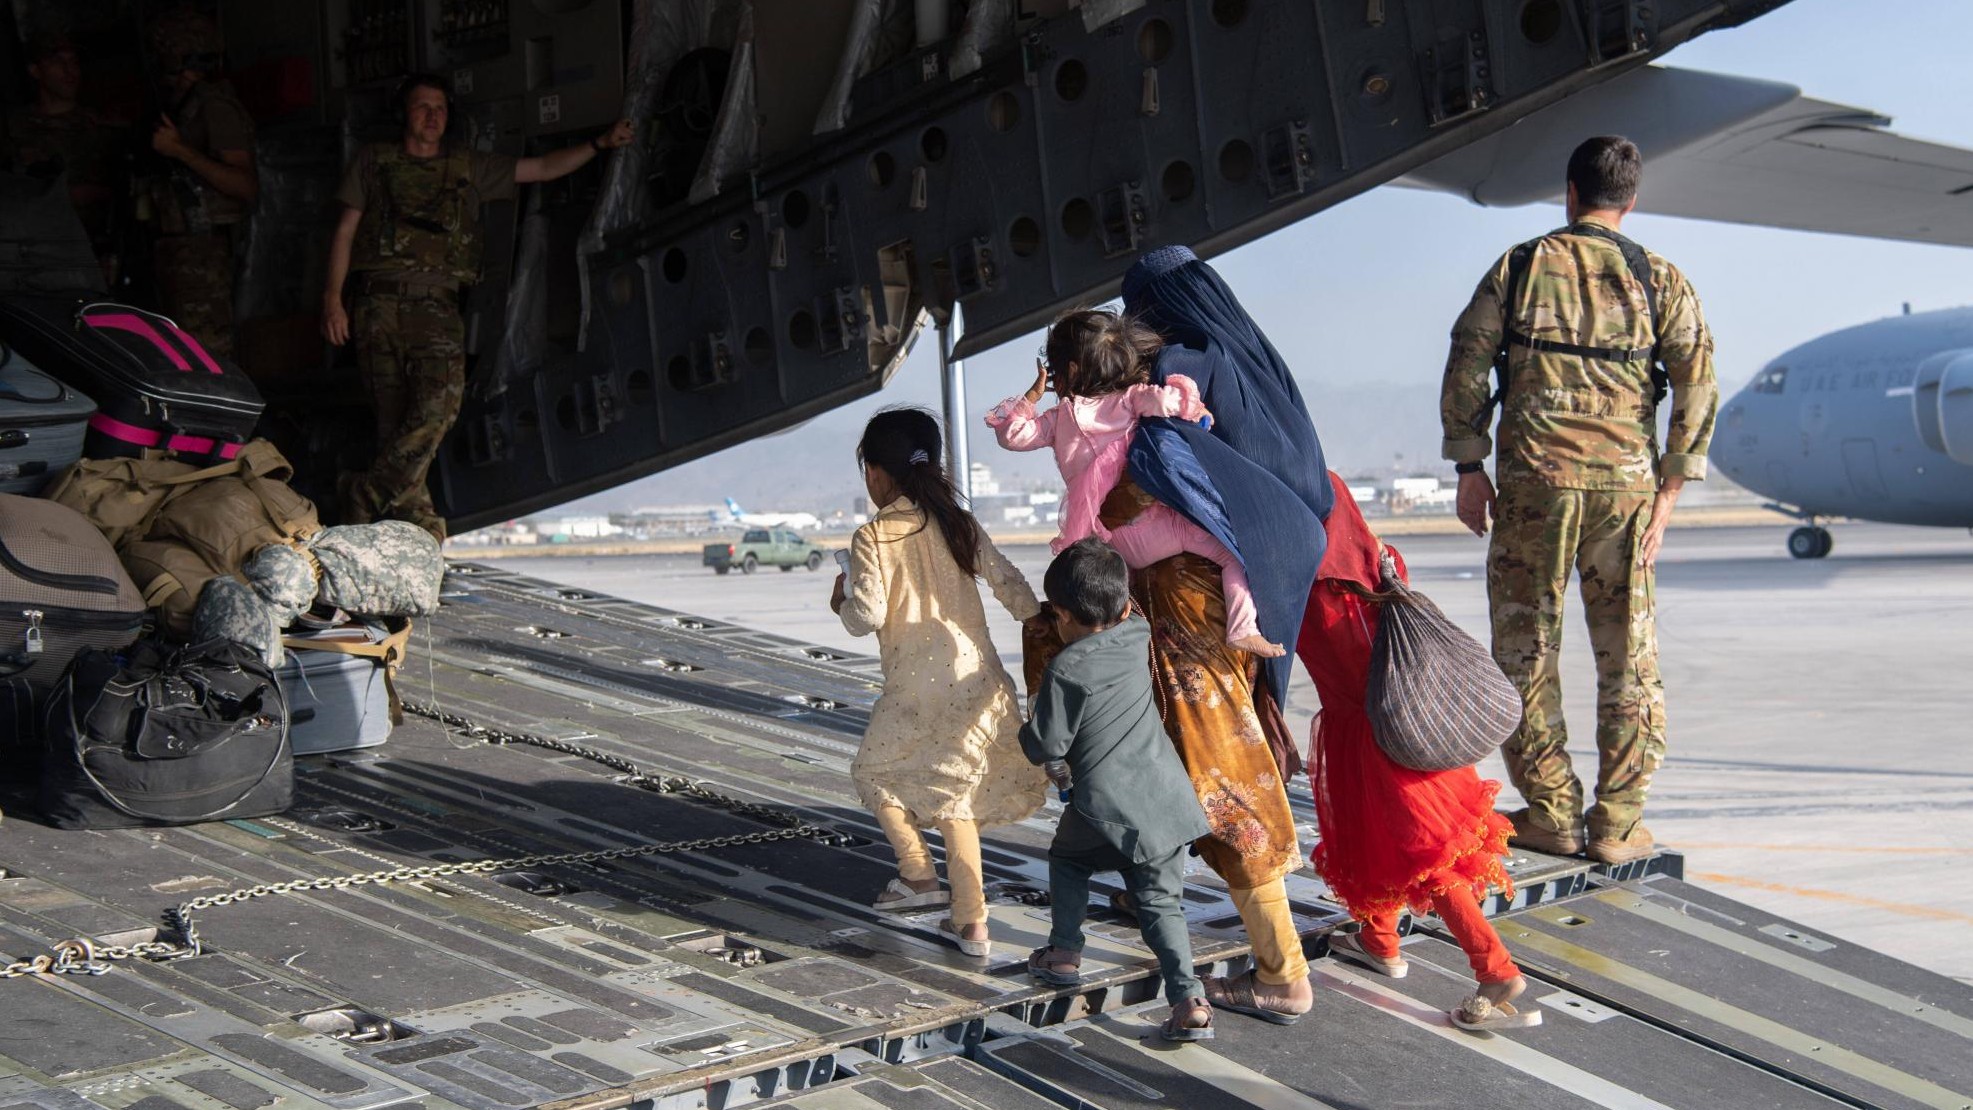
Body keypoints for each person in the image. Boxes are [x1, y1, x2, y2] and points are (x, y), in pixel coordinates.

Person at [1439, 135, 1718, 865]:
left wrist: (1469, 464)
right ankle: (1618, 823)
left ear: (1568, 192)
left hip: (1534, 485)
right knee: (1628, 657)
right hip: (1623, 491)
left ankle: (1552, 811)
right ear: (1630, 200)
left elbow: (1468, 358)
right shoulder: (1660, 278)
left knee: (1525, 653)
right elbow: (1695, 381)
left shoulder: (1520, 264)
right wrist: (1670, 490)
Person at [322, 74, 635, 542]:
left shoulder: (468, 166)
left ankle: (364, 493)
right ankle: (419, 532)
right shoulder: (374, 162)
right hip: (377, 304)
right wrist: (332, 298)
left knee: (439, 407)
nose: (432, 116)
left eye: (441, 108)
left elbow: (544, 168)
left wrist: (598, 143)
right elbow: (345, 231)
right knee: (394, 424)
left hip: (437, 307)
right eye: (422, 106)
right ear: (403, 114)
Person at [1300, 474, 1539, 1032]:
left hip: (1371, 740)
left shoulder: (1304, 589)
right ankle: (1379, 940)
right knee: (1376, 839)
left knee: (1427, 856)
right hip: (1415, 727)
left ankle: (1495, 967)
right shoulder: (1383, 560)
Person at [831, 407, 1048, 958]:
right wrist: (1038, 620)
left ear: (875, 473)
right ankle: (970, 923)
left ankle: (918, 875)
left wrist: (841, 599)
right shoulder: (957, 521)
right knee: (956, 798)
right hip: (978, 680)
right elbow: (1010, 584)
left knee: (874, 773)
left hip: (914, 689)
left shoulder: (873, 537)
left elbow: (868, 617)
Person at [986, 308, 1282, 656]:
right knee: (1234, 556)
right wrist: (1195, 412)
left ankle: (1114, 654)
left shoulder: (1056, 419)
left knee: (1111, 603)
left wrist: (1032, 396)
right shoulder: (1129, 398)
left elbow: (1013, 436)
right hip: (1161, 529)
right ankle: (1242, 627)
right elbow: (1166, 401)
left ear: (1069, 370)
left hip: (1109, 543)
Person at [1021, 538, 1215, 1043]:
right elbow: (1106, 616)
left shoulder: (1066, 669)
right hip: (1167, 800)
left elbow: (1046, 744)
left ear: (1061, 612)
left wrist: (1026, 719)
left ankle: (1064, 953)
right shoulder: (1137, 630)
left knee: (1068, 862)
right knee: (1160, 904)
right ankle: (1189, 998)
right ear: (1124, 604)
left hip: (1105, 809)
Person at [144, 6, 257, 357]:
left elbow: (244, 185)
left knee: (207, 359)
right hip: (178, 253)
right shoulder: (182, 105)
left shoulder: (214, 105)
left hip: (205, 255)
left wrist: (179, 150)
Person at [3, 30, 126, 283]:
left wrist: (97, 194)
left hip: (98, 253)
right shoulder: (13, 129)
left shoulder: (104, 127)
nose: (69, 71)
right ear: (35, 70)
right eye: (58, 62)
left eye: (73, 62)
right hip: (36, 259)